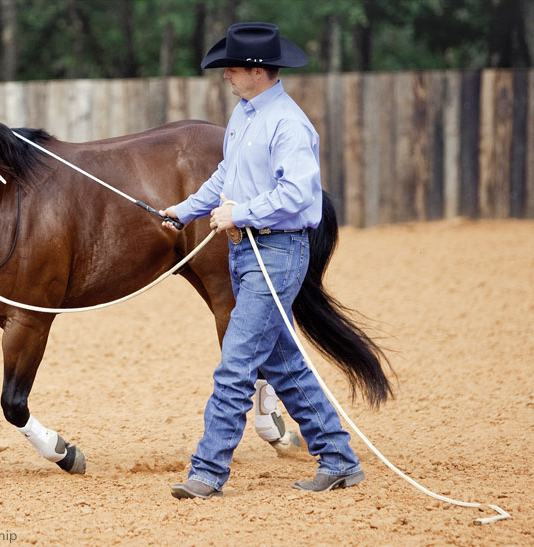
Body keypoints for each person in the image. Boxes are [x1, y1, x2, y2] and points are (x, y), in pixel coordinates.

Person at [160, 21, 365, 499]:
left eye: (231, 66)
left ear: (256, 70)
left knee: (235, 364)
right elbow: (227, 176)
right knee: (284, 365)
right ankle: (338, 459)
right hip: (247, 251)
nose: (225, 74)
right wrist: (185, 209)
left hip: (278, 251)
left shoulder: (289, 125)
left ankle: (207, 472)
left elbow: (298, 195)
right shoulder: (246, 114)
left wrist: (241, 212)